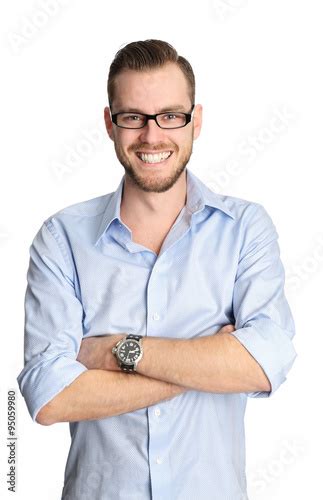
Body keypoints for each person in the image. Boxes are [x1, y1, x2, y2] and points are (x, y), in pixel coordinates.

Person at [17, 39, 297, 500]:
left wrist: (117, 352)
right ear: (110, 124)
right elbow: (50, 397)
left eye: (170, 115)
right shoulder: (61, 238)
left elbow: (266, 362)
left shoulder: (246, 228)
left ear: (196, 121)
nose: (152, 136)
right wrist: (206, 364)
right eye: (133, 117)